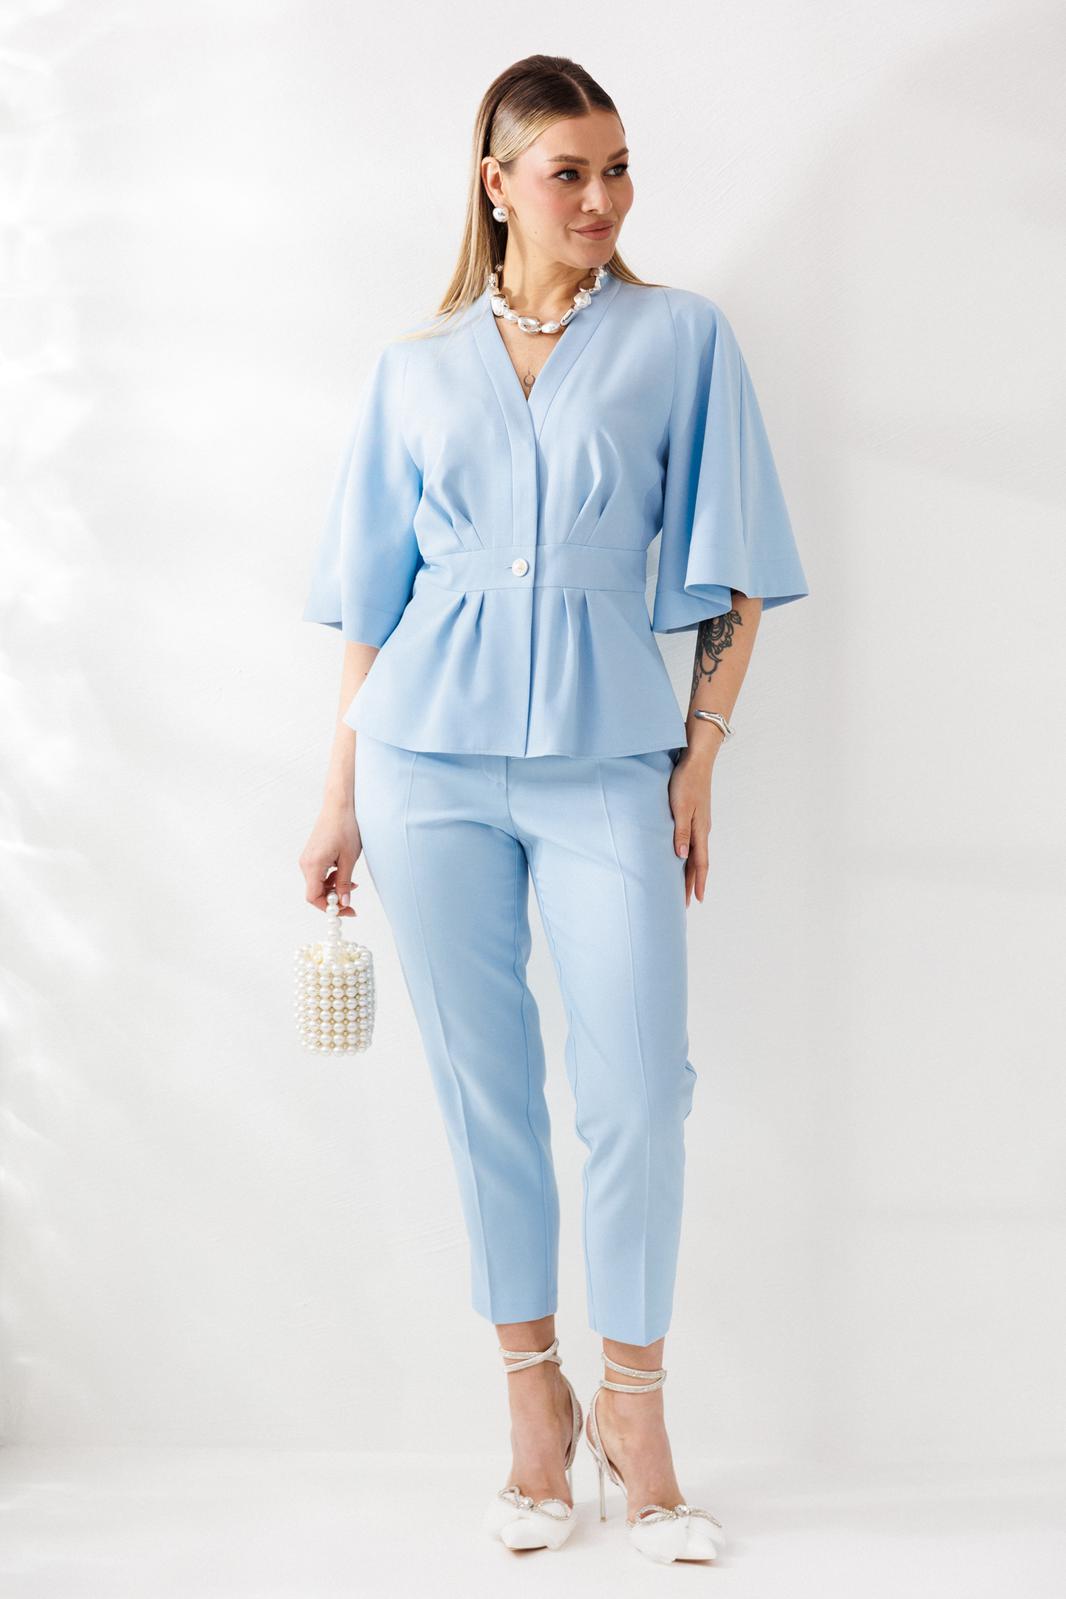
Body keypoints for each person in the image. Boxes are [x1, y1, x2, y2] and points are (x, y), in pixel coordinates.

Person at [297, 54, 809, 1564]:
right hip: (422, 765)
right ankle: (533, 1407)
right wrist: (336, 798)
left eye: (617, 167)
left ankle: (635, 1413)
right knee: (486, 1092)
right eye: (568, 172)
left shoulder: (680, 338)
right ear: (497, 183)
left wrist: (698, 759)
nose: (602, 198)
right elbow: (369, 607)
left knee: (639, 1087)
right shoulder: (414, 369)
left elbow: (731, 565)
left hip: (607, 759)